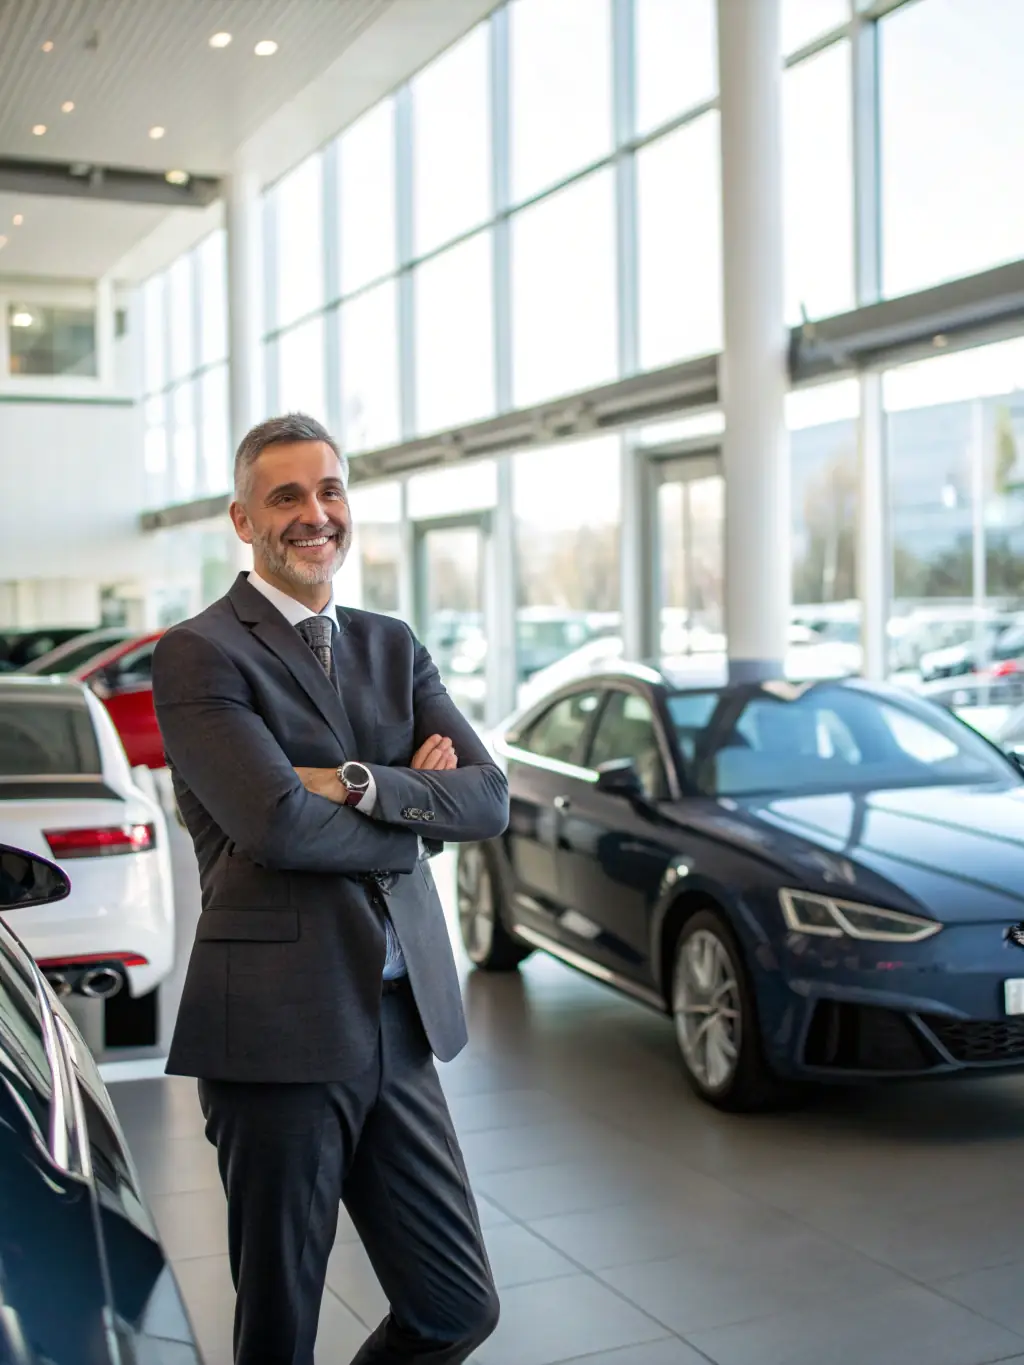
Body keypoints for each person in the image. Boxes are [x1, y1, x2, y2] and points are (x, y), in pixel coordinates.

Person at [151, 413, 507, 1365]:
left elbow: (486, 800)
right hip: (276, 1030)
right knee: (281, 1329)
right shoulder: (201, 652)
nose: (316, 514)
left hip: (398, 1023)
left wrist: (357, 781)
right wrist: (410, 805)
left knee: (456, 1305)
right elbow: (275, 823)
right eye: (287, 496)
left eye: (331, 490)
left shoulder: (392, 643)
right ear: (244, 519)